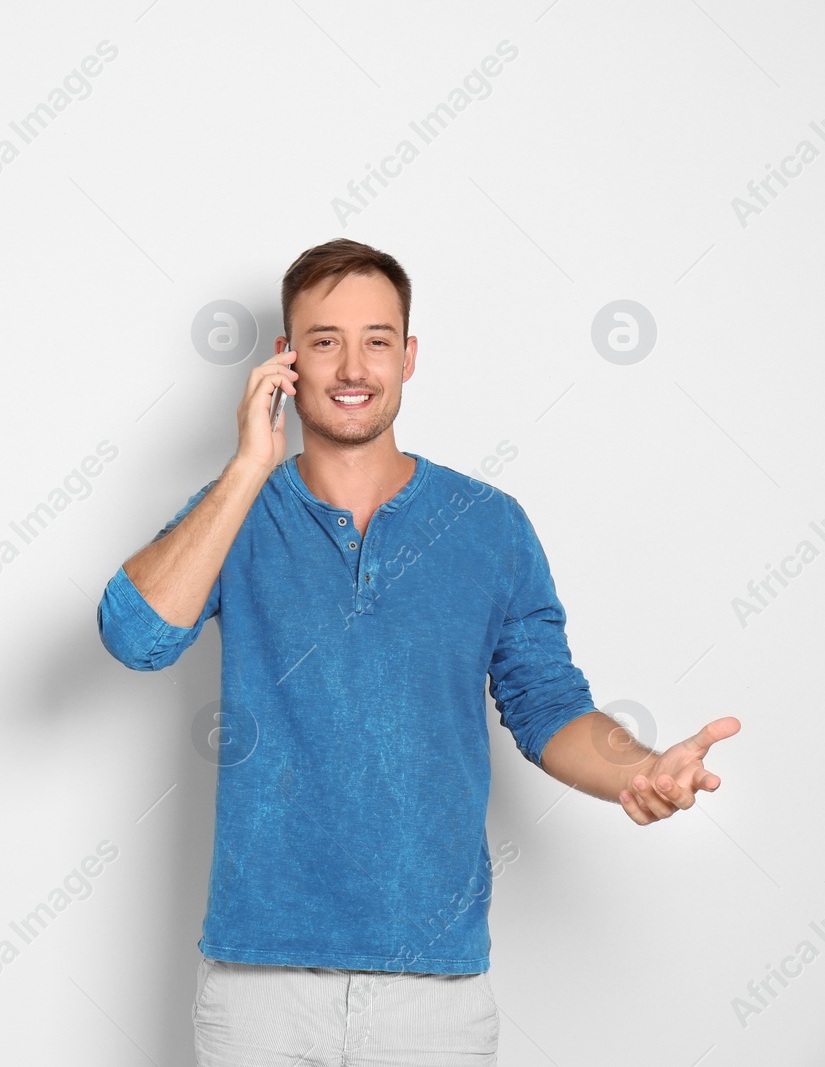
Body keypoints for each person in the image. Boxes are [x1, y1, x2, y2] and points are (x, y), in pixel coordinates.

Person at [94, 238, 740, 1066]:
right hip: (259, 982)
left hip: (435, 993)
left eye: (377, 338)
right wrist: (251, 463)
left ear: (409, 355)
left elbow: (548, 706)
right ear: (287, 361)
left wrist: (639, 770)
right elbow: (136, 638)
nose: (353, 364)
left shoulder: (490, 525)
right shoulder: (236, 510)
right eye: (324, 340)